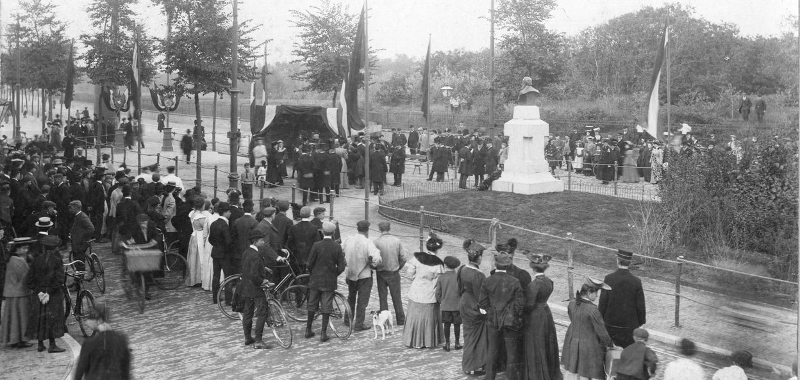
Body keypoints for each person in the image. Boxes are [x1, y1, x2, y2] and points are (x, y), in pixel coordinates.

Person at [479, 247, 524, 380]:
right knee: (511, 352)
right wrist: (513, 315)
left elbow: (482, 302)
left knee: (492, 350)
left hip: (492, 320)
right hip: (510, 321)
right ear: (507, 265)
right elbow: (519, 304)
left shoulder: (487, 280)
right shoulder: (514, 281)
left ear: (495, 264)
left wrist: (492, 313)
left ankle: (489, 377)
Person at [561, 277, 614, 380]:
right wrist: (610, 344)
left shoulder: (572, 304)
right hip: (589, 346)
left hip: (572, 343)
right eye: (596, 292)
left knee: (574, 369)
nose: (597, 295)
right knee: (587, 372)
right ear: (589, 293)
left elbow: (572, 319)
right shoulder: (593, 310)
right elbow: (602, 332)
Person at [240, 229, 284, 349]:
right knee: (262, 312)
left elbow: (248, 268)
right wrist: (263, 281)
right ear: (255, 242)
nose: (263, 242)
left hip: (246, 288)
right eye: (261, 240)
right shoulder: (255, 255)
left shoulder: (247, 252)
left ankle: (248, 338)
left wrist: (263, 268)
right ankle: (258, 341)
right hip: (256, 289)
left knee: (248, 313)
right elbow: (254, 275)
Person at [522, 252, 562, 380]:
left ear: (533, 268)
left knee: (536, 343)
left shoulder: (534, 285)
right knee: (546, 341)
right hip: (546, 313)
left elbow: (529, 304)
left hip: (536, 316)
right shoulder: (549, 281)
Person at [23, 235, 67, 353]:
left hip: (38, 294)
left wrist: (39, 291)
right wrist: (49, 291)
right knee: (52, 318)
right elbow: (60, 279)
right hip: (53, 294)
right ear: (55, 248)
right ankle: (52, 345)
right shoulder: (57, 261)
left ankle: (40, 344)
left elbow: (28, 280)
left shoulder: (37, 260)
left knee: (40, 318)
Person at [403, 233, 445, 349]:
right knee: (428, 318)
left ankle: (412, 340)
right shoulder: (438, 264)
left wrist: (417, 278)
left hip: (416, 291)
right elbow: (438, 282)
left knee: (414, 317)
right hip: (429, 294)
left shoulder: (417, 258)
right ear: (437, 249)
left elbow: (409, 274)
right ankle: (428, 341)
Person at [305, 222, 346, 342]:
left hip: (316, 280)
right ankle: (323, 333)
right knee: (326, 306)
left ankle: (308, 330)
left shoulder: (316, 245)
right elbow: (342, 266)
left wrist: (313, 273)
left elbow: (309, 263)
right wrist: (334, 274)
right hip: (329, 281)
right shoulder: (337, 247)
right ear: (333, 233)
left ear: (322, 232)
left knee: (312, 304)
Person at [599, 249, 646, 348]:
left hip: (610, 325)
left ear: (617, 261)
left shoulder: (609, 279)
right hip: (630, 327)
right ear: (630, 263)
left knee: (610, 353)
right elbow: (640, 305)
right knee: (627, 353)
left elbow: (603, 302)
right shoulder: (636, 282)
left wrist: (600, 319)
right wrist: (641, 323)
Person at [342, 220, 382, 331]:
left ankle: (347, 320)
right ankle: (359, 324)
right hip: (364, 276)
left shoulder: (348, 239)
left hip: (350, 274)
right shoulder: (368, 242)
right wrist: (373, 265)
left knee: (351, 297)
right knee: (362, 301)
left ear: (357, 229)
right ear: (367, 230)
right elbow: (377, 259)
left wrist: (346, 262)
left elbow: (341, 251)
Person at [73, 305, 132, 380]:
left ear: (99, 320)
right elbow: (126, 369)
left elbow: (79, 371)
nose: (87, 322)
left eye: (90, 319)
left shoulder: (89, 343)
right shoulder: (121, 339)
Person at [459, 239, 488, 376]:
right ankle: (472, 366)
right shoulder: (478, 275)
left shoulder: (462, 269)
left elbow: (460, 287)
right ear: (479, 257)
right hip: (474, 307)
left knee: (469, 335)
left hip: (464, 303)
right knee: (475, 337)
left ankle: (471, 364)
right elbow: (481, 295)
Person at [372, 221, 407, 326]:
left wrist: (376, 267)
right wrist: (398, 267)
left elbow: (373, 259)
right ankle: (401, 319)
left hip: (381, 272)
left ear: (379, 229)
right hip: (394, 272)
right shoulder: (397, 241)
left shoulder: (376, 242)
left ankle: (385, 320)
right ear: (389, 228)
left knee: (382, 297)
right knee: (396, 297)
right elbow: (404, 258)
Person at [0, 238, 33, 348]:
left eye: (27, 248)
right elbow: (26, 276)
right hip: (20, 293)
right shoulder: (19, 261)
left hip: (12, 292)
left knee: (13, 317)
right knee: (22, 317)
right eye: (23, 248)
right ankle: (22, 339)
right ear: (17, 249)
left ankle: (14, 339)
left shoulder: (11, 259)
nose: (26, 250)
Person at [436, 256, 462, 352]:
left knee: (446, 325)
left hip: (445, 306)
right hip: (457, 306)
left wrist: (441, 301)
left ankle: (447, 344)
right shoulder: (459, 277)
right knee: (457, 325)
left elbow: (438, 293)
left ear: (445, 265)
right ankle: (457, 343)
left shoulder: (441, 277)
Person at [208, 202, 233, 304]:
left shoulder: (214, 223)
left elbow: (210, 239)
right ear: (225, 212)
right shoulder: (224, 225)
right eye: (229, 212)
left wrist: (217, 245)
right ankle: (228, 299)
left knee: (216, 276)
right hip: (224, 254)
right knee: (228, 276)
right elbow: (228, 241)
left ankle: (215, 298)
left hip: (215, 252)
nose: (230, 213)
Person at [287, 206, 322, 274]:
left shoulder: (294, 227)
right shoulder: (314, 228)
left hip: (297, 258)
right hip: (309, 258)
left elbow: (290, 243)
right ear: (309, 215)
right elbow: (317, 244)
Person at [185, 198, 209, 287]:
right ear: (202, 205)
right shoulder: (200, 217)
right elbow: (206, 228)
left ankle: (194, 278)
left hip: (194, 236)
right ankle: (199, 278)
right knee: (200, 258)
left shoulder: (192, 213)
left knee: (194, 258)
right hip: (199, 237)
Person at [69, 200, 95, 273]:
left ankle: (79, 278)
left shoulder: (82, 217)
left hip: (80, 244)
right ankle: (79, 276)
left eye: (71, 207)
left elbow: (91, 228)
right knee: (78, 262)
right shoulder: (78, 216)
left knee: (79, 262)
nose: (70, 209)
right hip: (77, 243)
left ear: (76, 207)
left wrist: (83, 238)